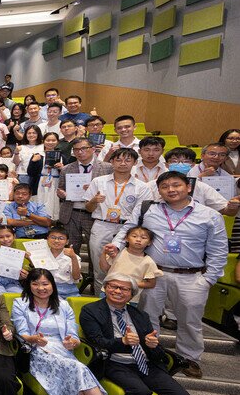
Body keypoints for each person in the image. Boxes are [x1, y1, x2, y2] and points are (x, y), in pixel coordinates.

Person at [11, 268, 148, 395]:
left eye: (45, 284)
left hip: (62, 352)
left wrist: (71, 342)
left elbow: (73, 336)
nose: (41, 288)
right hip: (37, 352)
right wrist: (33, 339)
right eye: (36, 284)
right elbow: (21, 333)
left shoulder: (63, 305)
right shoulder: (20, 304)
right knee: (78, 369)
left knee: (76, 373)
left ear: (53, 286)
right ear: (29, 285)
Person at [107, 171, 227, 379]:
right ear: (159, 190)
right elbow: (128, 228)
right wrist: (116, 246)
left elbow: (218, 250)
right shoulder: (149, 210)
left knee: (190, 320)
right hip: (153, 273)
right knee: (147, 316)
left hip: (191, 276)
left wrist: (208, 280)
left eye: (176, 185)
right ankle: (151, 354)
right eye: (165, 186)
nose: (171, 190)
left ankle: (189, 359)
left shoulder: (209, 216)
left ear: (188, 187)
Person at [80, 273, 199, 395]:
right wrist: (122, 342)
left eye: (124, 289)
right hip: (115, 363)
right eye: (114, 287)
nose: (118, 291)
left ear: (131, 294)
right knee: (140, 393)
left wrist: (153, 346)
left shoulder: (140, 315)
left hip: (145, 363)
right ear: (106, 287)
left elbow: (154, 346)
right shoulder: (91, 311)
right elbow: (96, 341)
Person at [83, 147, 153, 290]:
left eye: (128, 160)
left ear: (134, 163)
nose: (123, 163)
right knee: (99, 268)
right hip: (102, 226)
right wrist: (94, 201)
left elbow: (141, 214)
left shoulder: (142, 187)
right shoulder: (98, 181)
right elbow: (88, 209)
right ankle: (100, 303)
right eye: (119, 160)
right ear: (112, 162)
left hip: (128, 229)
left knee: (124, 268)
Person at [56, 137, 113, 254]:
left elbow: (112, 190)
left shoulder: (107, 167)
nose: (79, 152)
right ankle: (72, 271)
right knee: (71, 249)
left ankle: (93, 273)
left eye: (83, 148)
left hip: (95, 214)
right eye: (76, 150)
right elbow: (61, 189)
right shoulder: (66, 168)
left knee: (95, 250)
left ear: (93, 149)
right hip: (72, 213)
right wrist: (61, 193)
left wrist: (93, 190)